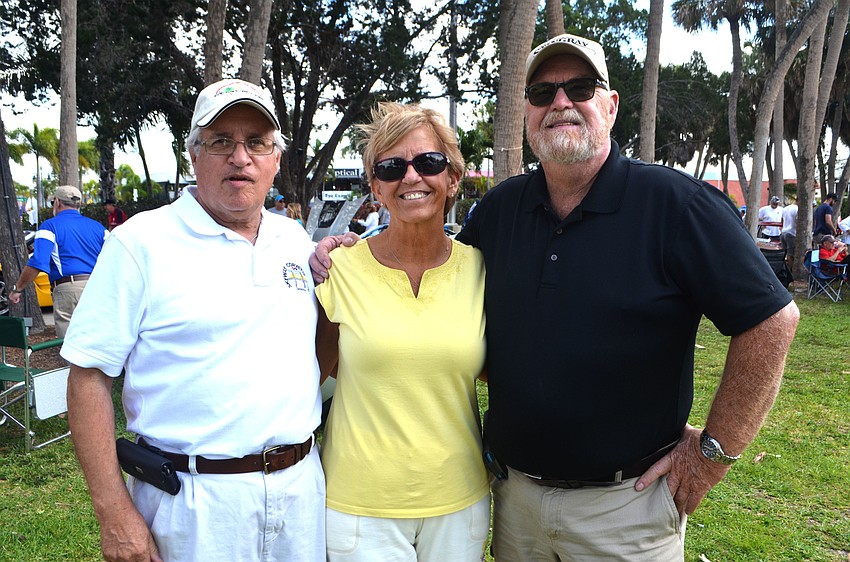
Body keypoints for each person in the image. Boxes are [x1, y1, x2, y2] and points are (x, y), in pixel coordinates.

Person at [312, 33, 799, 560]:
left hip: (626, 507)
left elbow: (771, 320)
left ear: (610, 106)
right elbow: (442, 306)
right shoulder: (500, 214)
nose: (560, 103)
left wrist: (712, 454)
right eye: (543, 93)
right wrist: (346, 249)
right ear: (527, 115)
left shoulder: (676, 206)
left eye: (580, 88)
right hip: (513, 501)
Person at [62, 78, 325, 562]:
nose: (240, 157)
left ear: (276, 159)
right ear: (193, 154)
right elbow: (87, 378)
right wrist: (113, 511)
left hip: (301, 497)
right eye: (221, 141)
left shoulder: (296, 242)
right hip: (192, 506)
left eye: (256, 143)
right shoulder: (141, 244)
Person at [315, 102, 490, 561]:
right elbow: (306, 378)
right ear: (376, 188)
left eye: (428, 162)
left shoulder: (481, 270)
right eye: (392, 167)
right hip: (358, 508)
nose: (411, 177)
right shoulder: (339, 270)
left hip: (460, 502)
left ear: (453, 178)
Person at [8, 185, 107, 337]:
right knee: (95, 337)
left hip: (68, 288)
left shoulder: (49, 226)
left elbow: (38, 262)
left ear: (58, 202)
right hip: (97, 286)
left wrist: (18, 289)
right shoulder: (99, 227)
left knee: (70, 342)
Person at [780, 198, 798, 269]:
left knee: (785, 254)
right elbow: (798, 221)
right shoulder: (797, 209)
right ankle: (790, 271)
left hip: (784, 232)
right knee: (791, 255)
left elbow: (782, 220)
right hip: (792, 233)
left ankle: (784, 269)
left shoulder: (785, 209)